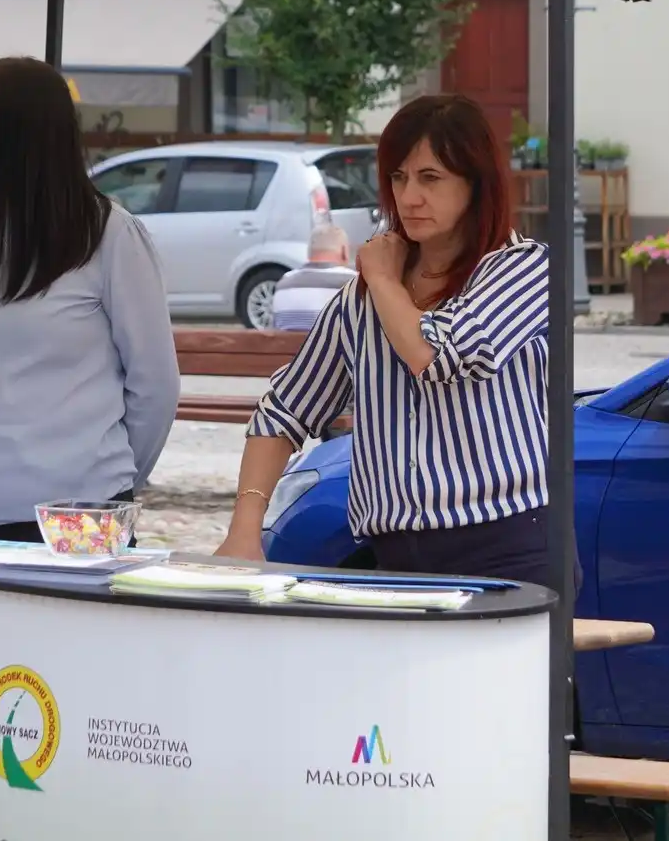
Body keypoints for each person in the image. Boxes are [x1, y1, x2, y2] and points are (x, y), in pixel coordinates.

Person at [0, 55, 179, 841]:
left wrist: (105, 484)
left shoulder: (108, 235)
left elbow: (154, 387)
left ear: (22, 134)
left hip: (74, 528)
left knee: (66, 719)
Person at [215, 94, 552, 582]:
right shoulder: (362, 298)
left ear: (478, 185)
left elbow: (438, 355)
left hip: (507, 547)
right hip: (395, 555)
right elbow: (284, 409)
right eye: (398, 177)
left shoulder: (523, 267)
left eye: (430, 178)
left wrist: (385, 281)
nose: (408, 197)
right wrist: (245, 530)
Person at [271, 221, 357, 331]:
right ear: (344, 251)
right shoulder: (356, 283)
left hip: (291, 348)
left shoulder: (283, 285)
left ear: (309, 252)